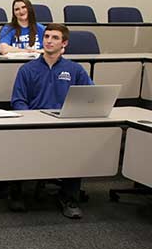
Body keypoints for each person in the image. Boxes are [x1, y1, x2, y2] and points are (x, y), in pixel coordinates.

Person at [8, 23, 93, 218]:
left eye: (55, 38)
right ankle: (16, 193)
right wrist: (32, 119)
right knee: (15, 143)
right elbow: (18, 101)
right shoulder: (27, 69)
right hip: (34, 124)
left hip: (65, 124)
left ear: (64, 43)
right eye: (46, 36)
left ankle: (68, 197)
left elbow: (89, 94)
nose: (49, 41)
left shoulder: (75, 69)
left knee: (77, 148)